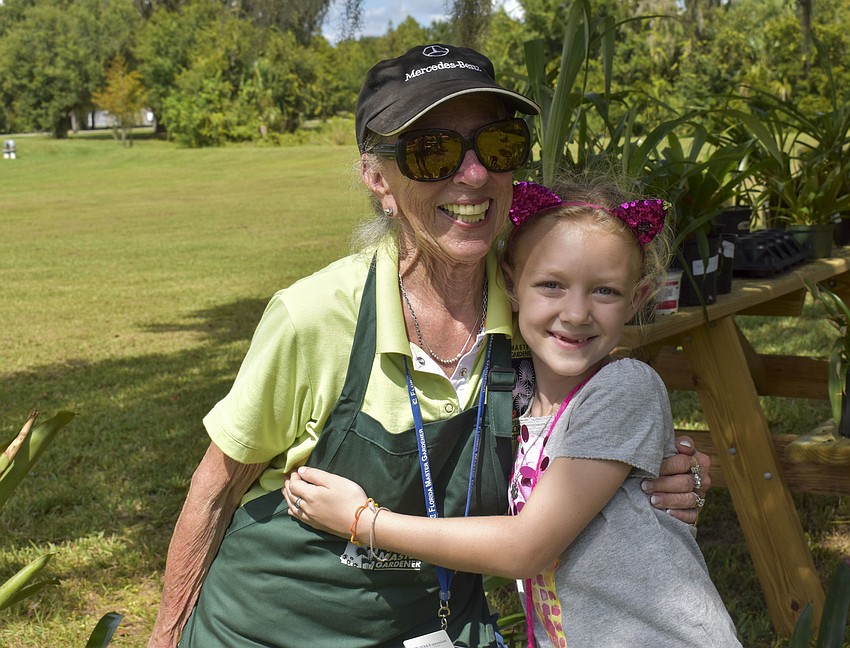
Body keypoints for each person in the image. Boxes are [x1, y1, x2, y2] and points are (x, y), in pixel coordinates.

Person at [148, 44, 711, 648]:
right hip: (269, 632)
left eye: (496, 145)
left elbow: (597, 426)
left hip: (440, 628)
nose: (471, 174)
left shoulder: (540, 308)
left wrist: (676, 476)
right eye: (431, 150)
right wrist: (165, 637)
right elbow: (215, 489)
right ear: (377, 179)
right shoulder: (315, 317)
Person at [284, 177, 740, 647]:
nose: (577, 313)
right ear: (510, 284)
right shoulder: (514, 392)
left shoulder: (624, 387)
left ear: (637, 299)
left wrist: (362, 521)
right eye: (551, 285)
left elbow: (526, 549)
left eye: (604, 291)